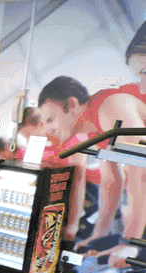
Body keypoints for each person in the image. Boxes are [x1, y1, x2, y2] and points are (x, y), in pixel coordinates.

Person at [38, 75, 146, 261]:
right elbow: (111, 181)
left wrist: (129, 243)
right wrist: (98, 236)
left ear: (71, 104)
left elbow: (141, 170)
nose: (48, 130)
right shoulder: (92, 128)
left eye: (50, 119)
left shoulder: (108, 107)